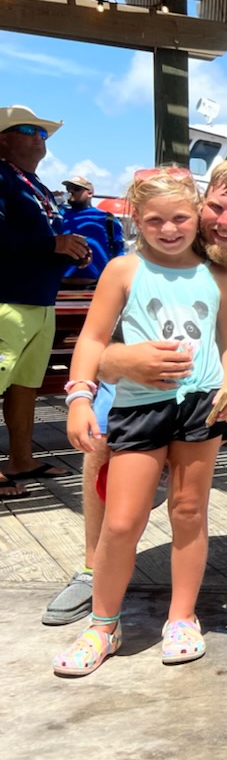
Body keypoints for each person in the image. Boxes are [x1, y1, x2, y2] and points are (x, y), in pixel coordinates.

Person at [43, 159, 227, 627]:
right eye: (216, 208)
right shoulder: (161, 241)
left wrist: (208, 430)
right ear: (201, 205)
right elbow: (99, 343)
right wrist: (115, 368)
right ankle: (92, 566)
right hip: (144, 373)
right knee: (101, 440)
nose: (223, 223)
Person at [53, 168, 227, 675]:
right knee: (120, 522)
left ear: (197, 217)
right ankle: (103, 625)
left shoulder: (218, 275)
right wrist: (78, 397)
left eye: (180, 218)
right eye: (155, 219)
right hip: (138, 408)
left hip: (201, 408)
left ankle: (181, 618)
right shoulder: (123, 270)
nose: (168, 229)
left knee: (188, 511)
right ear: (136, 217)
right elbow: (93, 341)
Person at [1, 104, 88, 494]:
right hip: (8, 299)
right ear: (2, 139)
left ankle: (21, 460)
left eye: (43, 133)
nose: (39, 137)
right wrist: (52, 243)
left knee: (25, 385)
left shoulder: (33, 184)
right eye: (27, 129)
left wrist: (70, 249)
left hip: (40, 299)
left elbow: (43, 241)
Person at [60, 174, 125, 284]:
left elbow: (119, 250)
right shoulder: (59, 216)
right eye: (68, 189)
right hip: (58, 286)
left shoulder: (107, 218)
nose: (71, 192)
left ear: (90, 193)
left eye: (76, 189)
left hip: (97, 286)